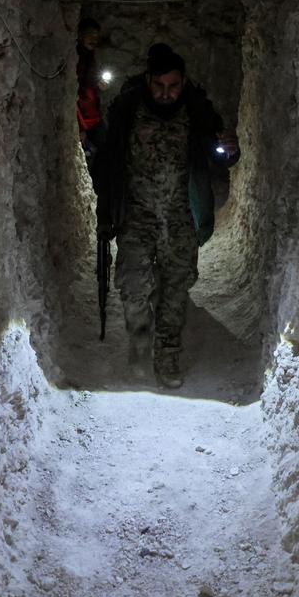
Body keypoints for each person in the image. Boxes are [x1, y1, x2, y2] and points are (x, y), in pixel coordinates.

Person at [95, 46, 240, 388]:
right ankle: (141, 335)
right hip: (136, 213)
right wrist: (106, 212)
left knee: (176, 287)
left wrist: (230, 150)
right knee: (133, 286)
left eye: (172, 86)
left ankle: (168, 354)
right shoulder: (128, 109)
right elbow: (108, 164)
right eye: (159, 86)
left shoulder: (197, 110)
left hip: (179, 213)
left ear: (183, 82)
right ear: (148, 81)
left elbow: (219, 155)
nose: (165, 94)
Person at [75, 18, 107, 184]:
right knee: (91, 160)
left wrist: (99, 86)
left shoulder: (90, 57)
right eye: (90, 35)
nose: (94, 39)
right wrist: (79, 127)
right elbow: (74, 96)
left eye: (96, 36)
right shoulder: (76, 58)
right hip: (84, 121)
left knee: (105, 154)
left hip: (94, 118)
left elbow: (89, 86)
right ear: (80, 35)